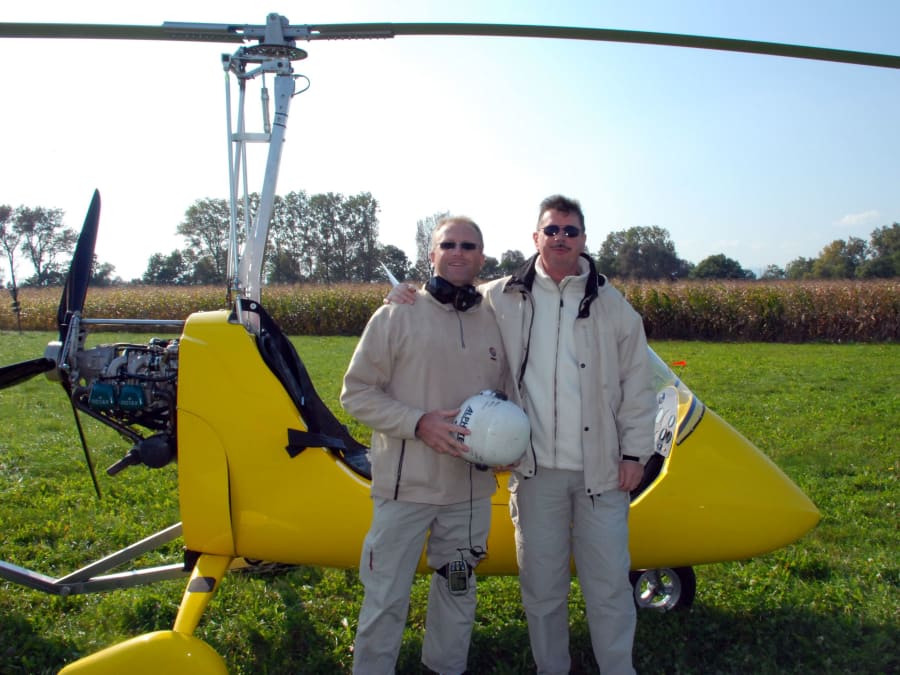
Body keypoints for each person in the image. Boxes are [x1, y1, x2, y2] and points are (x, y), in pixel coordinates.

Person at [388, 195, 657, 674]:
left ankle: (619, 668)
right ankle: (551, 668)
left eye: (570, 231)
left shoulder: (613, 306)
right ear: (535, 238)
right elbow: (448, 301)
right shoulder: (500, 295)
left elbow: (637, 385)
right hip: (534, 473)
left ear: (583, 239)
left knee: (609, 586)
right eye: (551, 230)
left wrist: (636, 453)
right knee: (542, 586)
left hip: (602, 470)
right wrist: (404, 297)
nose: (560, 239)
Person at [341, 216, 510, 675]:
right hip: (405, 491)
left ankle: (445, 668)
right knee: (386, 596)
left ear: (481, 256)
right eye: (448, 244)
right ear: (431, 255)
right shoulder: (397, 313)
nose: (459, 252)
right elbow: (356, 393)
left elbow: (510, 399)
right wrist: (418, 424)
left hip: (469, 497)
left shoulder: (496, 322)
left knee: (457, 589)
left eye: (469, 245)